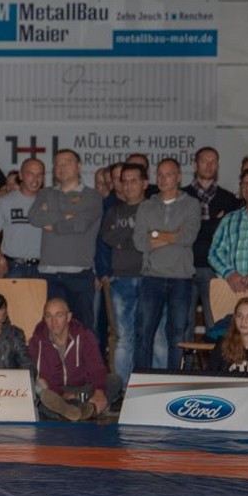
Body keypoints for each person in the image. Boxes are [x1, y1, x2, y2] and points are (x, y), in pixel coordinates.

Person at [132, 158, 201, 370]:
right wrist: (172, 235)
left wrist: (154, 234)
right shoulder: (146, 206)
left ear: (179, 177)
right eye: (159, 174)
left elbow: (187, 237)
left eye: (169, 174)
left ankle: (175, 382)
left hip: (181, 278)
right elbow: (140, 242)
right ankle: (141, 381)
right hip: (152, 277)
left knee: (177, 335)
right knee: (143, 333)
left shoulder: (191, 204)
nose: (163, 179)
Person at [28, 149, 102, 330]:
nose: (62, 167)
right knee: (51, 330)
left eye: (67, 163)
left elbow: (81, 224)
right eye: (57, 164)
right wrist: (67, 216)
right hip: (48, 274)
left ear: (79, 166)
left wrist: (53, 222)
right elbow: (35, 217)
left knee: (81, 330)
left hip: (79, 274)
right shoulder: (46, 193)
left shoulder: (92, 196)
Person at [182, 147, 241, 341]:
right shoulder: (181, 196)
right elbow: (183, 233)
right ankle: (184, 362)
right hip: (185, 267)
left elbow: (228, 234)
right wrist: (214, 223)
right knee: (184, 324)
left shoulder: (229, 199)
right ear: (194, 165)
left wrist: (197, 226)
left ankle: (215, 361)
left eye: (213, 161)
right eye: (204, 161)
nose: (209, 165)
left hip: (216, 269)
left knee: (215, 323)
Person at [28, 298, 121, 422]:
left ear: (68, 317)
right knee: (40, 390)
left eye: (59, 315)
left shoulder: (84, 336)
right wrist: (63, 394)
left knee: (114, 380)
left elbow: (97, 367)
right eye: (48, 316)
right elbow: (42, 375)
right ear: (44, 318)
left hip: (81, 389)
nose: (53, 321)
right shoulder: (36, 342)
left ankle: (73, 411)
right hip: (54, 391)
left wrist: (99, 391)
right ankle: (87, 411)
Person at [99, 163, 147, 388]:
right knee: (123, 338)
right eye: (124, 181)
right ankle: (121, 390)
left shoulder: (152, 208)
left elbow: (151, 241)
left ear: (144, 183)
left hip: (149, 278)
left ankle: (149, 388)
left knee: (150, 336)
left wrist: (125, 239)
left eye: (133, 181)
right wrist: (134, 235)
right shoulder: (114, 211)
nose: (128, 186)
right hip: (121, 279)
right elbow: (107, 238)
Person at [0, 157, 45, 278]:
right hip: (13, 267)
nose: (35, 179)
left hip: (42, 268)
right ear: (21, 175)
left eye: (39, 174)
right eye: (30, 174)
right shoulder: (5, 202)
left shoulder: (49, 202)